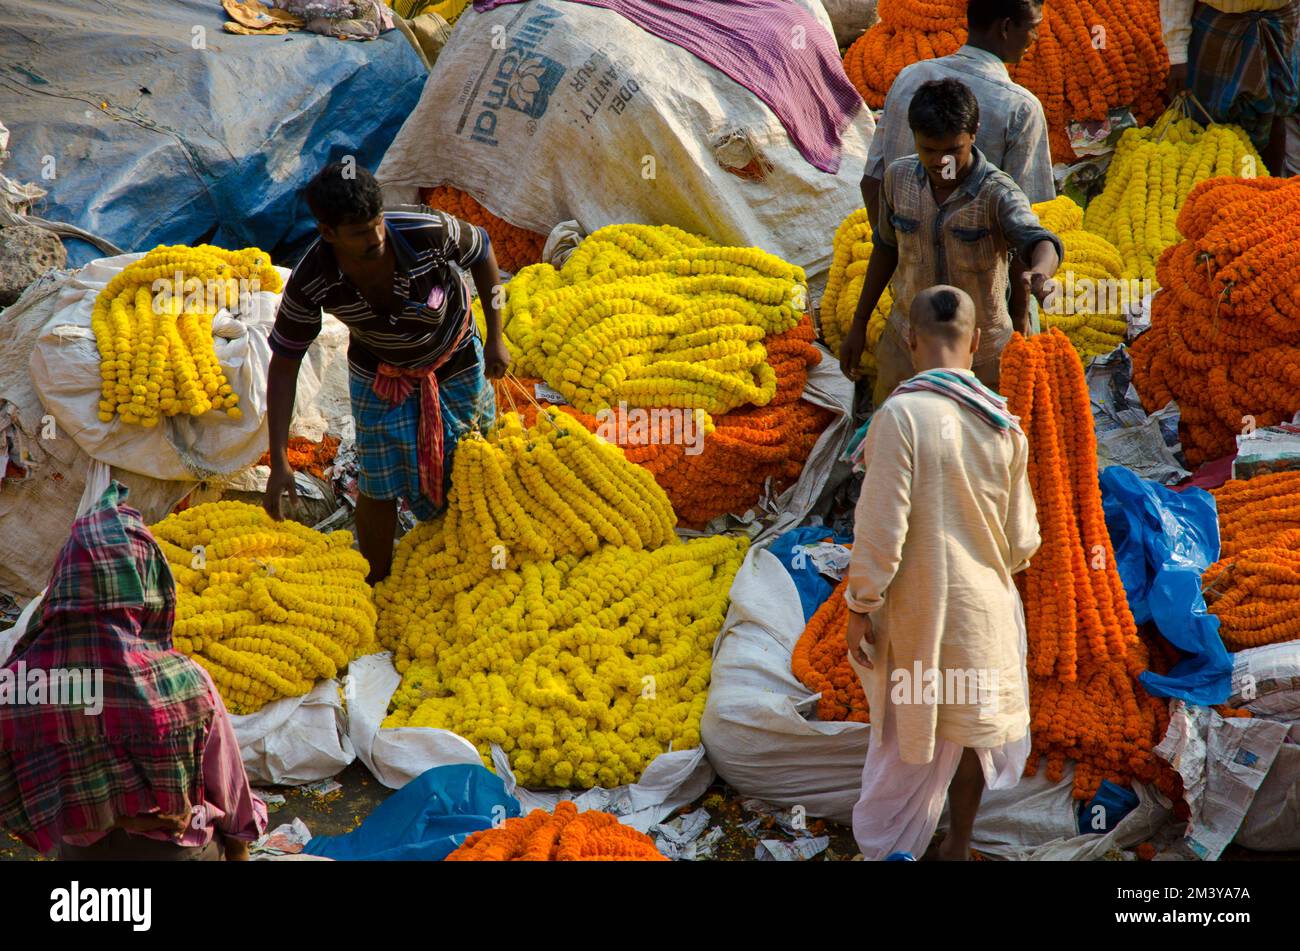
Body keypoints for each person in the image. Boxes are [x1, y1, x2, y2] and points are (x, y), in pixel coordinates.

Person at [843, 285, 1040, 861]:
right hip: (985, 612)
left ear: (909, 341)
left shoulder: (902, 414)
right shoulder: (1003, 423)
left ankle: (891, 846)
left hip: (920, 611)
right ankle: (957, 847)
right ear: (977, 343)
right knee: (971, 733)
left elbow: (881, 532)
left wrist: (860, 606)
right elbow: (1022, 539)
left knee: (911, 731)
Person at [263, 163, 511, 584]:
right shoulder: (313, 279)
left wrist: (496, 337)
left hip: (453, 355)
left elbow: (483, 250)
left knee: (474, 457)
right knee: (379, 481)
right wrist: (280, 458)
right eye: (359, 232)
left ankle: (482, 554)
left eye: (377, 223)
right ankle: (377, 581)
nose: (376, 237)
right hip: (380, 371)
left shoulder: (426, 232)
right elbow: (286, 362)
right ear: (328, 234)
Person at [0, 482, 267, 860]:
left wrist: (108, 818)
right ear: (151, 582)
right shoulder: (185, 682)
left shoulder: (22, 685)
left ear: (65, 580)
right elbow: (230, 796)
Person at [839, 78, 1062, 406]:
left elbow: (1039, 240)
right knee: (896, 436)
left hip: (982, 354)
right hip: (907, 344)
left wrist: (1041, 272)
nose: (941, 162)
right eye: (929, 150)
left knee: (979, 443)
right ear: (914, 136)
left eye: (952, 151)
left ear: (973, 134)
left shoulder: (997, 193)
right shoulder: (897, 180)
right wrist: (859, 324)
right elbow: (886, 247)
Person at [861, 0, 1054, 225]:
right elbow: (1032, 215)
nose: (1036, 37)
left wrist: (889, 247)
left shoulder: (908, 77)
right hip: (976, 257)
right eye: (1033, 27)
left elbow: (872, 182)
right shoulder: (1020, 107)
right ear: (1006, 27)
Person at [1162, 0, 1300, 176]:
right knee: (1215, 121)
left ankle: (1269, 190)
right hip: (1222, 23)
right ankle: (1224, 189)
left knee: (1275, 115)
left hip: (1280, 20)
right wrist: (1177, 53)